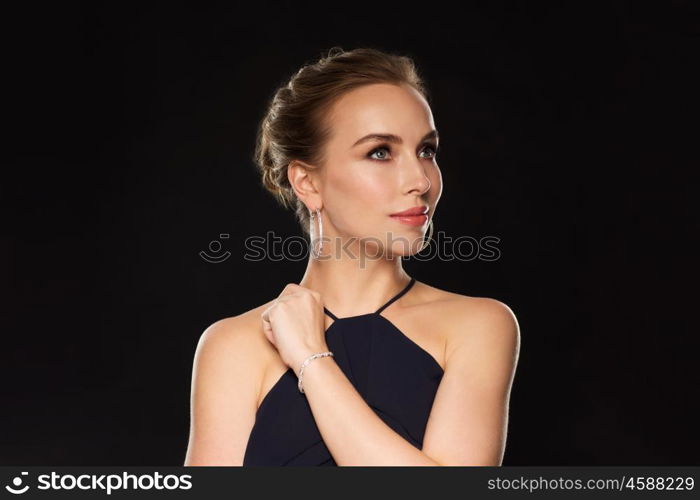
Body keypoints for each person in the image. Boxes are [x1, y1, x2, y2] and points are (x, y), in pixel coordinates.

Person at [184, 46, 520, 466]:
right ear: (307, 183)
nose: (420, 180)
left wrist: (311, 359)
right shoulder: (232, 345)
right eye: (380, 152)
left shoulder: (479, 325)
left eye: (427, 151)